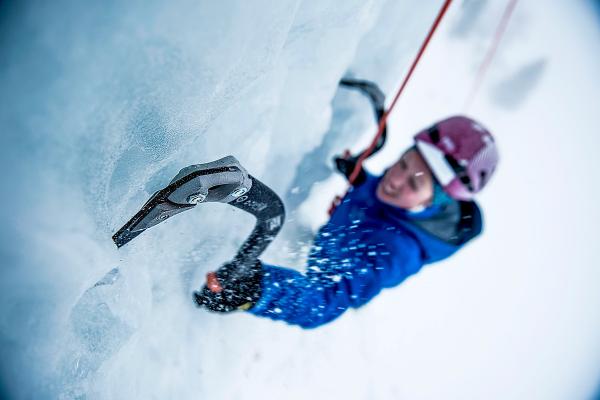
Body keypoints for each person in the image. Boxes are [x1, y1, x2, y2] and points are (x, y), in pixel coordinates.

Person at [194, 115, 499, 329]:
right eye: (402, 163)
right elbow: (386, 193)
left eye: (413, 184)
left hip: (326, 269)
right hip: (335, 238)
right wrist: (361, 179)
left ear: (431, 203)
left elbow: (324, 301)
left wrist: (256, 291)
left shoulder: (393, 254)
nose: (393, 180)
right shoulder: (402, 195)